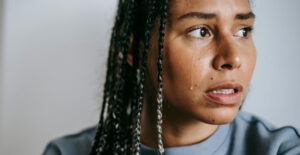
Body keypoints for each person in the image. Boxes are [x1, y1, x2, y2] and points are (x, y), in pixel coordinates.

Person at [43, 0, 300, 154]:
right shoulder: (67, 152)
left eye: (243, 31)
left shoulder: (281, 150)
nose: (233, 58)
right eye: (201, 31)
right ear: (135, 49)